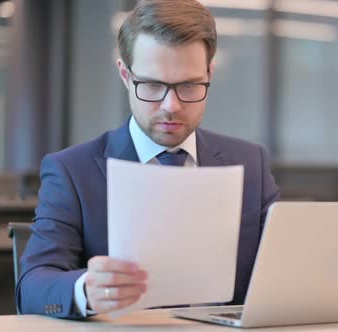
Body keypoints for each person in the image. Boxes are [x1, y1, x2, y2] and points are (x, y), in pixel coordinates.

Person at [17, 0, 280, 318]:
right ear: (125, 75)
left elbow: (284, 271)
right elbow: (32, 286)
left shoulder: (250, 162)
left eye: (188, 85)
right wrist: (86, 289)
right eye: (153, 85)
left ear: (209, 73)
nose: (171, 105)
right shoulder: (72, 171)